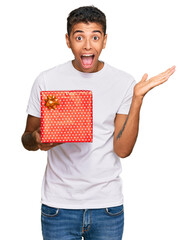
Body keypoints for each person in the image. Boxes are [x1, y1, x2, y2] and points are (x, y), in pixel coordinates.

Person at [21, 6, 176, 240]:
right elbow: (26, 138)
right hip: (58, 207)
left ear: (104, 41)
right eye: (79, 37)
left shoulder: (123, 82)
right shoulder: (47, 80)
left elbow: (123, 150)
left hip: (107, 207)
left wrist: (137, 99)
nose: (87, 45)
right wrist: (37, 139)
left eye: (95, 37)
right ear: (67, 40)